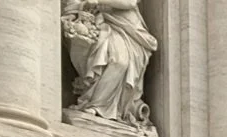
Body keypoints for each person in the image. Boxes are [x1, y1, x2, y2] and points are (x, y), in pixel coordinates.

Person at [62, 0, 158, 128]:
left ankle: (102, 106)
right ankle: (97, 105)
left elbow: (129, 3)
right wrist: (72, 12)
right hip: (106, 26)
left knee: (121, 62)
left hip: (131, 30)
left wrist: (97, 1)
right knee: (115, 60)